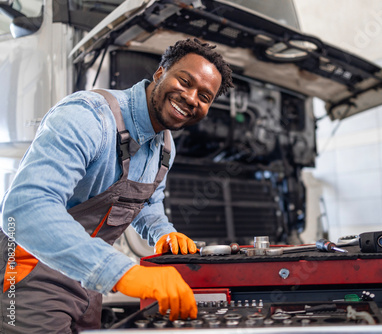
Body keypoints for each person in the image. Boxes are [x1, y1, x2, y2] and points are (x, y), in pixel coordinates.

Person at [0, 38, 233, 333]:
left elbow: (147, 202)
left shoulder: (165, 148)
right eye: (185, 81)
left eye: (204, 96)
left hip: (89, 283)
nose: (191, 98)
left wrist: (164, 234)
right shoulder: (88, 116)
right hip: (30, 273)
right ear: (160, 74)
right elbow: (24, 209)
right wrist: (124, 273)